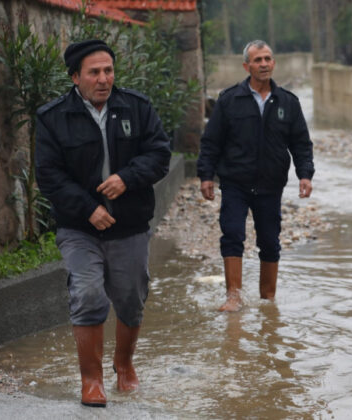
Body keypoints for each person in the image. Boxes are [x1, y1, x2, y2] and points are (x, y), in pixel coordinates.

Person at [35, 39, 171, 408]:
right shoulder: (52, 117)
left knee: (130, 298)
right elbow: (48, 175)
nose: (103, 79)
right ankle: (92, 380)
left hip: (129, 225)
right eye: (94, 72)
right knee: (88, 294)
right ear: (75, 76)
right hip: (79, 228)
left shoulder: (137, 108)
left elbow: (160, 153)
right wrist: (87, 208)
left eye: (108, 70)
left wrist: (127, 177)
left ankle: (124, 365)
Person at [197, 40, 314, 312]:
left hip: (271, 185)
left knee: (270, 242)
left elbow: (301, 143)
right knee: (233, 234)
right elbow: (211, 142)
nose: (263, 64)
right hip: (235, 183)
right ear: (246, 66)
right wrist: (205, 176)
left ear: (274, 63)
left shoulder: (288, 102)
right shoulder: (229, 100)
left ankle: (268, 300)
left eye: (267, 59)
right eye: (257, 60)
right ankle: (233, 297)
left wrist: (305, 174)